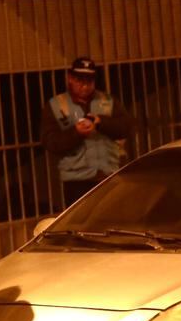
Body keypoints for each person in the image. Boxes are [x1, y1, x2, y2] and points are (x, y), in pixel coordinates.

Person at [40, 56, 135, 207]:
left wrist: (101, 123)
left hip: (108, 176)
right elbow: (51, 142)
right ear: (70, 78)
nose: (84, 86)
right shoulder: (56, 106)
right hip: (77, 181)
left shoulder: (108, 101)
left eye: (89, 81)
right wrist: (76, 133)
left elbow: (126, 127)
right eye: (80, 80)